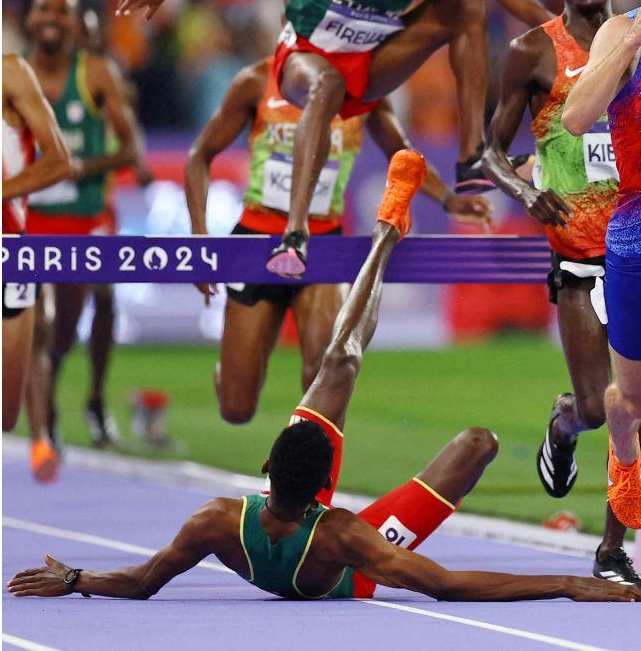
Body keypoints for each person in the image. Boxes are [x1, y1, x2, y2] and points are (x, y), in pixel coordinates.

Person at [8, 152, 641, 605]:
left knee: (339, 361)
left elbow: (144, 581)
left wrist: (75, 579)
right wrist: (565, 583)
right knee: (479, 442)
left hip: (302, 521)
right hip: (349, 574)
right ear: (327, 490)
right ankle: (388, 231)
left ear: (266, 465)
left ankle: (388, 228)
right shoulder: (347, 537)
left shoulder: (218, 522)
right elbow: (448, 584)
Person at [117, 0, 554, 279]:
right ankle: (294, 235)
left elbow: (530, 10)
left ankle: (470, 158)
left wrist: (593, 40)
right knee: (326, 82)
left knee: (468, 2)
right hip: (303, 61)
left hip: (367, 66)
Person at [480, 0, 641, 590]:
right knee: (594, 405)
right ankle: (565, 422)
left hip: (638, 247)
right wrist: (524, 189)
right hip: (580, 259)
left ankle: (615, 548)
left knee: (638, 403)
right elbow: (488, 150)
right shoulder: (531, 52)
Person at [184, 60, 488, 429]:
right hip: (255, 242)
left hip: (322, 246)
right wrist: (200, 239)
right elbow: (199, 155)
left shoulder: (362, 91)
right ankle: (230, 366)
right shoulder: (256, 82)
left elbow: (402, 151)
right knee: (236, 407)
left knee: (323, 370)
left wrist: (448, 200)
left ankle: (306, 467)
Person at [556, 0, 641, 533]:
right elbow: (574, 118)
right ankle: (625, 460)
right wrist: (629, 43)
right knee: (635, 399)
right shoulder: (623, 33)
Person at [20, 0, 142, 451]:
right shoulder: (14, 73)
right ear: (28, 19)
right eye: (43, 8)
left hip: (86, 217)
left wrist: (77, 168)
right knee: (44, 326)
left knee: (78, 319)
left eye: (63, 12)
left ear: (77, 25)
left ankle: (92, 397)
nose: (52, 18)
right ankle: (44, 411)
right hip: (31, 219)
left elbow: (131, 148)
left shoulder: (94, 73)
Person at [0, 56, 68, 484]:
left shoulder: (12, 73)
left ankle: (39, 432)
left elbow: (60, 160)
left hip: (14, 249)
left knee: (4, 416)